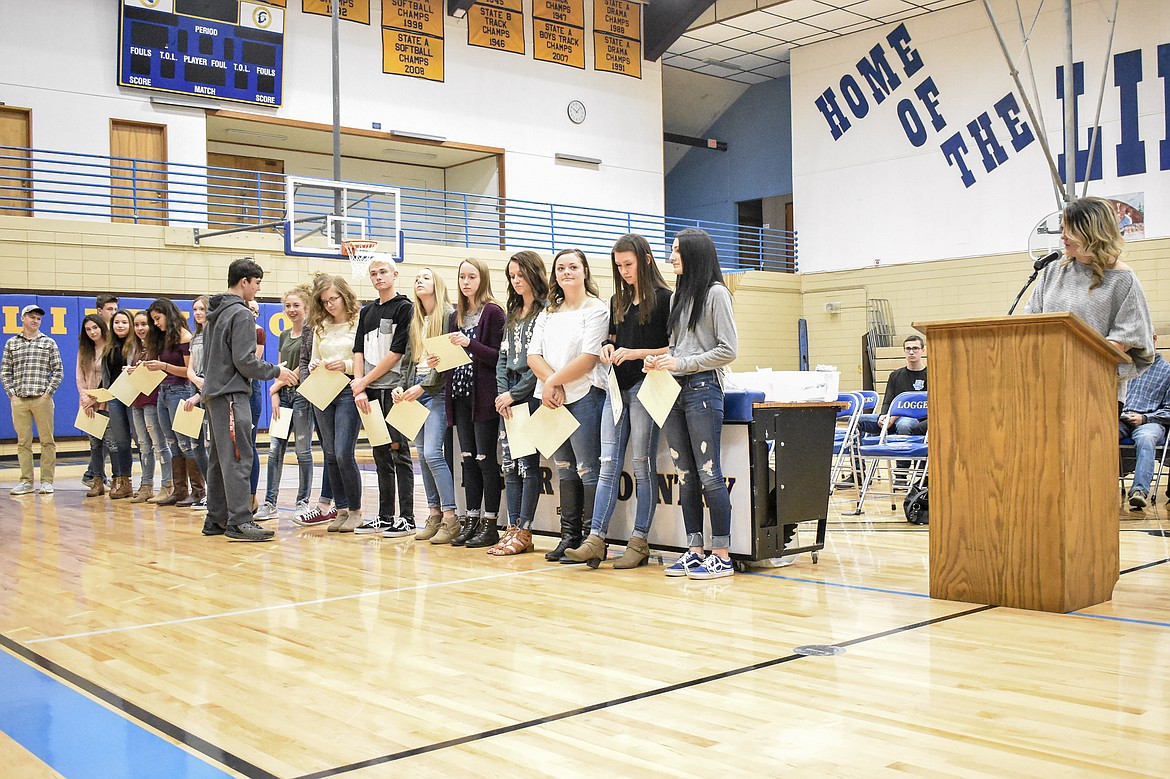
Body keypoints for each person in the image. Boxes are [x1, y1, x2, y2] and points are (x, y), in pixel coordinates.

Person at [565, 234, 671, 568]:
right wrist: (607, 349)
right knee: (608, 463)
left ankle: (639, 541)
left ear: (646, 260)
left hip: (647, 387)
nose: (624, 271)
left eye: (629, 264)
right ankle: (596, 538)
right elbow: (611, 341)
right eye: (619, 266)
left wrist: (637, 353)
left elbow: (675, 348)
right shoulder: (617, 302)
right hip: (616, 389)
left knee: (642, 464)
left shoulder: (667, 299)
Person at [648, 228, 739, 580]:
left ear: (694, 254)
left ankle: (722, 553)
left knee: (709, 473)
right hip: (674, 389)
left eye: (676, 251)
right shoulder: (677, 297)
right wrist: (661, 360)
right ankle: (694, 550)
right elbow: (678, 348)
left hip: (703, 390)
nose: (670, 257)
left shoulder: (716, 294)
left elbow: (728, 350)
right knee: (684, 475)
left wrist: (682, 363)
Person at [200, 258, 298, 541]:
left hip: (214, 394)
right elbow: (245, 361)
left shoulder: (214, 313)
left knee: (219, 460)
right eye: (256, 283)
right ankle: (240, 521)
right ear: (244, 282)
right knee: (238, 458)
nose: (257, 289)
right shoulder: (241, 314)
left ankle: (216, 519)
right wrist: (278, 370)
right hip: (231, 395)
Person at [528, 248, 609, 562]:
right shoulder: (548, 312)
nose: (566, 272)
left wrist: (554, 381)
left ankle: (592, 541)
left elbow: (589, 358)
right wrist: (551, 382)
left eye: (573, 267)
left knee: (588, 469)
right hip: (552, 399)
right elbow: (533, 355)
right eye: (561, 268)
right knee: (564, 470)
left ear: (584, 271)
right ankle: (568, 538)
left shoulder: (596, 309)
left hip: (584, 395)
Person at [1024, 196, 1155, 384]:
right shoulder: (1053, 270)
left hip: (1096, 389)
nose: (1062, 236)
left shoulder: (1122, 279)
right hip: (1046, 380)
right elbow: (1031, 321)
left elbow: (1125, 340)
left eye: (1068, 230)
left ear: (1090, 232)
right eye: (1062, 229)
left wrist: (1073, 361)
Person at [351, 258, 416, 538]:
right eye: (373, 273)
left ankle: (408, 517)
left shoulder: (404, 308)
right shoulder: (366, 312)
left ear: (394, 274)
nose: (378, 277)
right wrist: (360, 387)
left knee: (398, 452)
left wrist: (363, 380)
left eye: (383, 272)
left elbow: (397, 352)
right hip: (370, 393)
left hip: (394, 392)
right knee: (379, 453)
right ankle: (385, 515)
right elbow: (358, 351)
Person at [443, 258, 505, 548]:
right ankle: (471, 519)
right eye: (462, 277)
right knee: (467, 460)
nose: (466, 282)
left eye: (471, 277)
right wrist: (438, 360)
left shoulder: (493, 312)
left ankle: (490, 522)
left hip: (483, 395)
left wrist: (469, 344)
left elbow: (495, 357)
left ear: (482, 279)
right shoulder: (454, 316)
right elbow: (449, 360)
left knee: (485, 461)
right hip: (459, 395)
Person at [392, 268, 458, 543]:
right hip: (415, 389)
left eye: (426, 277)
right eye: (416, 278)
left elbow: (447, 362)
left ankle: (452, 517)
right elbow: (408, 359)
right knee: (421, 453)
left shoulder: (448, 316)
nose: (419, 280)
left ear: (437, 284)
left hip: (437, 391)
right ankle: (433, 514)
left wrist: (422, 387)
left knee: (433, 453)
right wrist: (402, 386)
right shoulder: (415, 319)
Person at [490, 251, 548, 556]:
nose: (516, 281)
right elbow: (502, 359)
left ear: (533, 274)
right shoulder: (512, 313)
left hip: (530, 394)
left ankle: (525, 529)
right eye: (512, 276)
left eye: (521, 275)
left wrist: (515, 394)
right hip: (508, 397)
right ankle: (511, 527)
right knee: (509, 465)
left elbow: (538, 363)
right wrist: (503, 394)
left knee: (527, 464)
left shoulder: (545, 312)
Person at [307, 274, 365, 532]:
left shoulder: (358, 322)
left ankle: (355, 509)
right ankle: (340, 509)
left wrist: (347, 365)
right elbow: (313, 358)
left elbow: (365, 359)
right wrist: (313, 365)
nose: (330, 305)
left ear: (344, 296)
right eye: (325, 301)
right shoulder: (320, 327)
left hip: (347, 390)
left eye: (334, 299)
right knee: (329, 453)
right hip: (322, 388)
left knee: (343, 452)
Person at [256, 285, 315, 520]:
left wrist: (276, 385)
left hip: (303, 396)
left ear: (307, 307)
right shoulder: (283, 335)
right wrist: (274, 394)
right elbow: (280, 368)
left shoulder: (311, 333)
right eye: (287, 306)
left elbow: (304, 368)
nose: (291, 310)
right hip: (284, 397)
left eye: (296, 306)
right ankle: (270, 503)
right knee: (274, 450)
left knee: (303, 451)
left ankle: (303, 502)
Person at [144, 298, 204, 508]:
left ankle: (198, 490)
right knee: (171, 442)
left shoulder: (185, 336)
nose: (157, 323)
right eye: (154, 320)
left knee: (185, 442)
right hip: (163, 391)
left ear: (168, 315)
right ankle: (180, 490)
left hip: (180, 390)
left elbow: (189, 371)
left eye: (158, 319)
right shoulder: (163, 338)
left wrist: (163, 365)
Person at [3, 304, 62, 495]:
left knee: (47, 441)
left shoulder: (49, 342)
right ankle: (26, 481)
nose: (35, 321)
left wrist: (48, 393)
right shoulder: (11, 343)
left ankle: (46, 481)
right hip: (19, 399)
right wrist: (11, 394)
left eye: (38, 318)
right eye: (31, 317)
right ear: (23, 318)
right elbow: (5, 372)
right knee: (23, 442)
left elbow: (58, 371)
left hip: (42, 399)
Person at [1120, 335, 1170, 510]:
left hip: (1150, 421)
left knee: (1146, 438)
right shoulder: (1125, 366)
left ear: (1154, 338)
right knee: (1098, 433)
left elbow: (1169, 410)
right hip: (1121, 418)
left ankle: (1139, 491)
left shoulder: (1167, 371)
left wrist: (1145, 418)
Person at [127, 310, 172, 504]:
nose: (140, 329)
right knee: (143, 445)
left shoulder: (158, 346)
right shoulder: (134, 347)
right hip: (137, 398)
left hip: (153, 399)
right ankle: (146, 485)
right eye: (136, 325)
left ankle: (167, 485)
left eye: (144, 324)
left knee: (159, 444)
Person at [858, 335, 928, 437]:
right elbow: (888, 401)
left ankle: (904, 452)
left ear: (923, 350)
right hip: (893, 416)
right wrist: (884, 416)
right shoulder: (895, 375)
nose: (911, 352)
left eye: (915, 348)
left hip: (914, 418)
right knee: (857, 420)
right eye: (908, 349)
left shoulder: (931, 375)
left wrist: (893, 417)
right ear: (904, 351)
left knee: (904, 425)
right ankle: (863, 452)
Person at [100, 309, 136, 499]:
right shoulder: (109, 347)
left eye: (124, 322)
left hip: (134, 396)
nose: (120, 325)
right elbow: (106, 375)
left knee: (142, 440)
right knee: (121, 442)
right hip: (115, 397)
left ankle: (153, 483)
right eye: (116, 322)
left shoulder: (136, 345)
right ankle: (125, 481)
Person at [183, 295, 212, 511]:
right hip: (196, 389)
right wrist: (195, 380)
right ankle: (208, 490)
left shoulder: (215, 336)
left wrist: (202, 390)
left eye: (202, 308)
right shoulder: (196, 337)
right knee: (196, 444)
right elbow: (190, 369)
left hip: (209, 394)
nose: (198, 313)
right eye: (195, 309)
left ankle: (215, 493)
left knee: (211, 445)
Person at [77, 314, 110, 498]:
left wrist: (95, 399)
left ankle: (118, 480)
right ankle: (97, 481)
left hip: (106, 401)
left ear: (102, 328)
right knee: (94, 445)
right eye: (88, 329)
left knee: (111, 443)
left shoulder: (109, 348)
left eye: (95, 328)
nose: (92, 332)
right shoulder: (84, 350)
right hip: (88, 404)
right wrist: (85, 400)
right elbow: (79, 377)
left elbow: (109, 378)